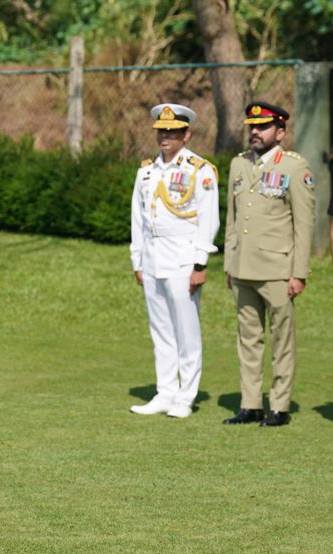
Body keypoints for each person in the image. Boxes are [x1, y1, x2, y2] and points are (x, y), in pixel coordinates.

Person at [223, 102, 315, 427]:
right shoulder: (239, 165)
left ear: (280, 132)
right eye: (252, 127)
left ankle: (279, 406)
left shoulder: (293, 167)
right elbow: (233, 219)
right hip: (243, 268)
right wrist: (228, 265)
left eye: (262, 127)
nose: (255, 132)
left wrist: (299, 273)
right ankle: (250, 404)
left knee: (281, 339)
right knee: (248, 338)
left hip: (277, 270)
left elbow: (303, 225)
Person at [129, 103, 220, 419]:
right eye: (161, 131)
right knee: (161, 329)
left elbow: (209, 219)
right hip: (153, 258)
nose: (165, 136)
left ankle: (186, 396)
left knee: (186, 330)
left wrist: (200, 264)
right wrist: (138, 260)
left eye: (173, 131)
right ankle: (165, 391)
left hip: (183, 258)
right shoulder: (147, 171)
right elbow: (138, 220)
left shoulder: (199, 169)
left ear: (186, 134)